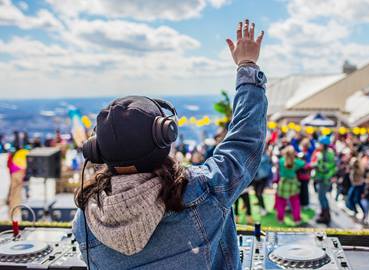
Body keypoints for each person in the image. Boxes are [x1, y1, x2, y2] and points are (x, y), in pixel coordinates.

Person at [72, 20, 267, 270]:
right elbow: (244, 142)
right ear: (165, 135)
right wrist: (247, 66)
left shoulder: (85, 220)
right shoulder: (204, 191)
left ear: (97, 150)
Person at [275, 146, 305, 225]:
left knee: (281, 202)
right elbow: (303, 163)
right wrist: (297, 156)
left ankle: (280, 219)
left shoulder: (281, 160)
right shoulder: (296, 162)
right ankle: (297, 219)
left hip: (283, 182)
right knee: (295, 202)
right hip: (292, 183)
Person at [311, 136, 336, 224]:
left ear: (324, 145)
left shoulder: (328, 154)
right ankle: (323, 213)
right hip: (322, 178)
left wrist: (316, 166)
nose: (318, 145)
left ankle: (326, 216)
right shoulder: (323, 152)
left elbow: (327, 167)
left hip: (325, 179)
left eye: (320, 144)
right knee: (321, 196)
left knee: (322, 197)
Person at [252, 146, 272, 215]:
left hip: (262, 178)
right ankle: (261, 207)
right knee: (256, 194)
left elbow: (260, 161)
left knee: (259, 193)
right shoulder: (255, 155)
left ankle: (263, 208)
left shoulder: (265, 156)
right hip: (255, 178)